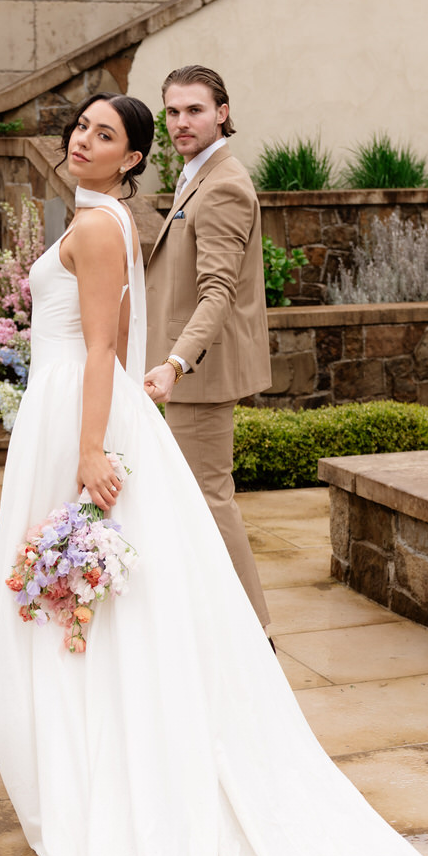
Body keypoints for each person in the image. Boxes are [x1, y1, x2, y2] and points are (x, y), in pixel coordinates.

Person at [0, 91, 428, 856]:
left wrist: (91, 449)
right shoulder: (108, 218)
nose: (82, 141)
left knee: (77, 589)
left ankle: (98, 764)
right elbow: (112, 339)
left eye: (105, 136)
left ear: (130, 161)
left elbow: (99, 350)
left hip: (75, 413)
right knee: (87, 592)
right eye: (81, 128)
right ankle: (87, 743)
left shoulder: (96, 229)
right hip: (77, 409)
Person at [143, 65, 273, 635]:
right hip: (189, 369)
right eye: (172, 111)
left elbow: (217, 291)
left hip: (198, 371)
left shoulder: (223, 183)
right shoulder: (197, 175)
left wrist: (175, 362)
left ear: (222, 112)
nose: (180, 122)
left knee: (210, 501)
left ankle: (254, 633)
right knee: (198, 502)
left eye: (194, 110)